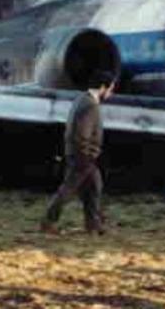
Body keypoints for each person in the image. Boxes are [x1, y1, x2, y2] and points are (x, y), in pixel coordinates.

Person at [40, 70, 116, 235]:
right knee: (68, 190)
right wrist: (87, 155)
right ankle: (48, 221)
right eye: (110, 89)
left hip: (81, 155)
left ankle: (93, 225)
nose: (111, 93)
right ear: (103, 87)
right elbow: (82, 134)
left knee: (95, 187)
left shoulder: (82, 100)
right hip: (83, 157)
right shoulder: (90, 105)